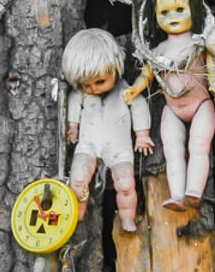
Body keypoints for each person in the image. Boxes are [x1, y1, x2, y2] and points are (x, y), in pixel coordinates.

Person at [124, 0, 214, 210]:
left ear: (194, 10)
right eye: (164, 13)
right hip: (172, 108)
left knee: (199, 146)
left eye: (180, 9)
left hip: (200, 105)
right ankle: (177, 195)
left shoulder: (199, 43)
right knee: (172, 150)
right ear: (154, 17)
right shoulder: (159, 49)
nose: (172, 17)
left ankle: (194, 189)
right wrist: (136, 89)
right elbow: (148, 73)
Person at [62, 29, 153, 231]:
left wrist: (142, 134)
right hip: (88, 144)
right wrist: (72, 126)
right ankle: (78, 210)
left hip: (119, 148)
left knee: (126, 184)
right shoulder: (80, 94)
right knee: (77, 179)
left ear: (115, 69)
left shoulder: (124, 90)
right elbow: (74, 103)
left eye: (100, 81)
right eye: (87, 85)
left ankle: (127, 217)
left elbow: (138, 105)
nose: (94, 88)